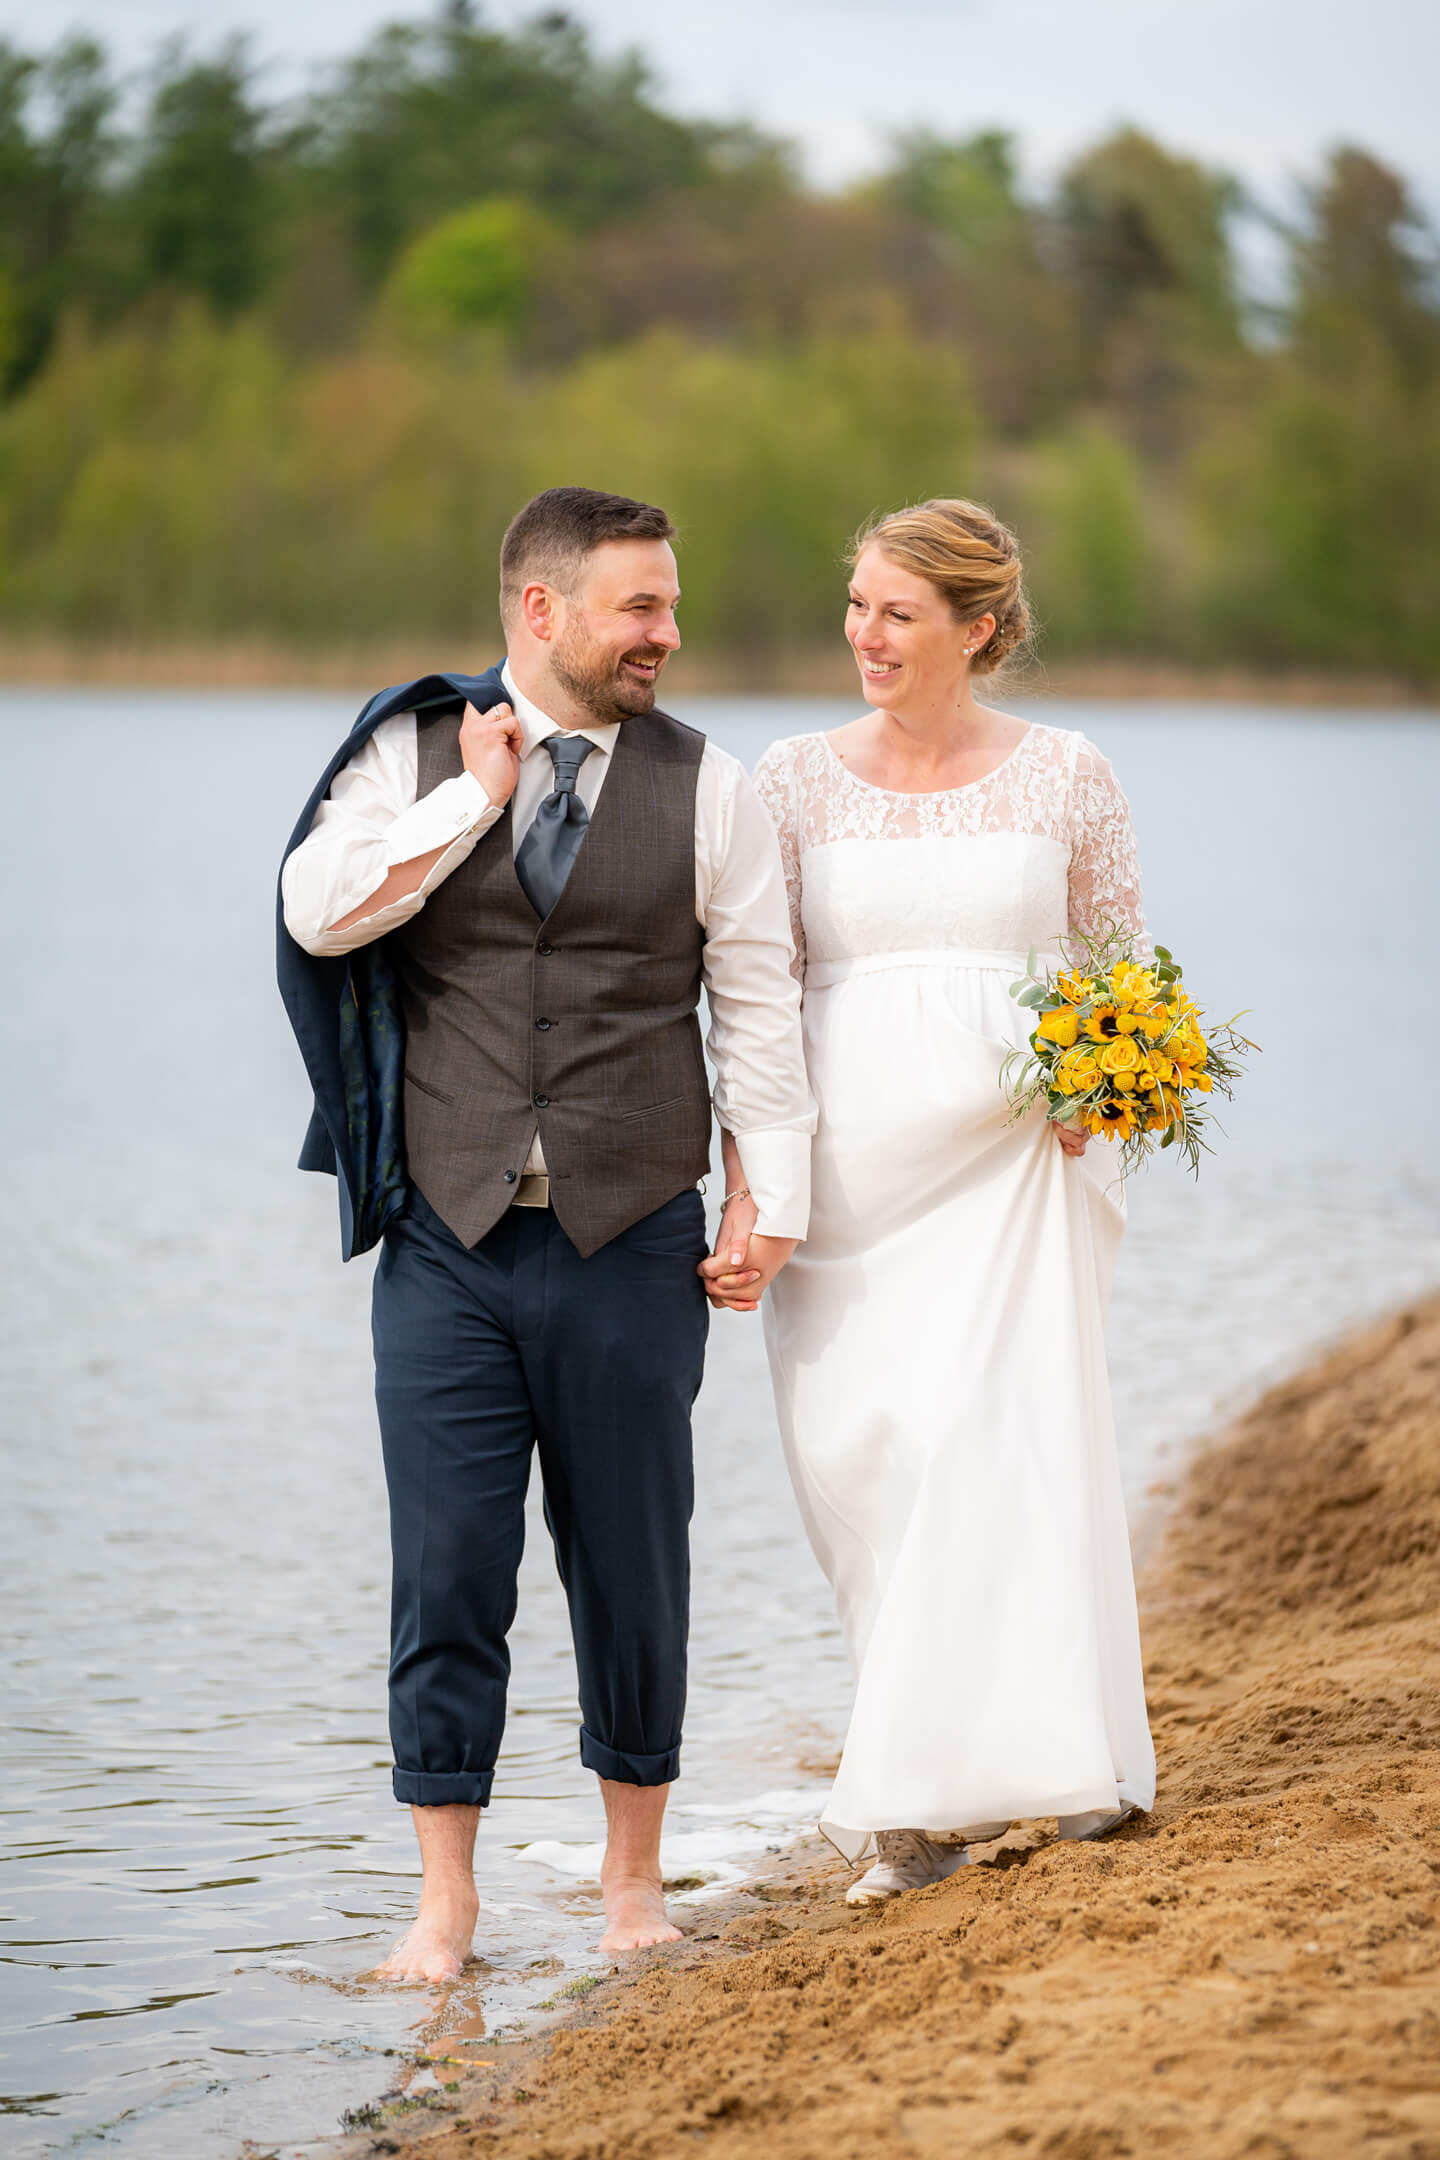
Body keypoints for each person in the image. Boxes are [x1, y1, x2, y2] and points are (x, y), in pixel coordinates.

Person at [277, 486, 813, 1977]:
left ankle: (631, 1890)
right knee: (447, 1565)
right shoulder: (411, 745)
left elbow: (757, 1005)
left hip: (632, 1233)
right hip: (444, 1242)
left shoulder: (715, 787)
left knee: (634, 1560)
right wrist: (471, 802)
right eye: (640, 607)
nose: (668, 633)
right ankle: (445, 1905)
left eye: (670, 604)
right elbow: (320, 913)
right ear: (542, 612)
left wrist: (774, 1196)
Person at [701, 498, 1155, 1903]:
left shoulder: (1069, 775)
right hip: (843, 1186)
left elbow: (1120, 969)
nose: (867, 637)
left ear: (978, 627)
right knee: (870, 1468)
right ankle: (944, 1774)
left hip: (1013, 1169)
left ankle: (936, 1804)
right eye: (856, 607)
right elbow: (751, 993)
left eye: (898, 613)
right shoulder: (789, 779)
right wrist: (750, 1176)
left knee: (993, 1452)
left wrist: (1108, 1094)